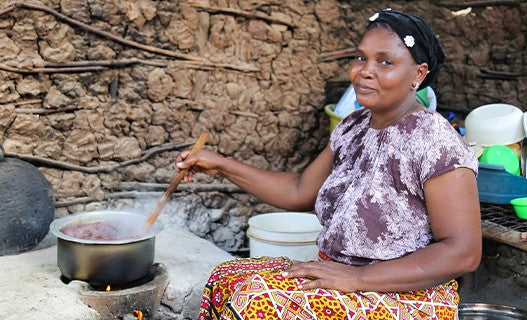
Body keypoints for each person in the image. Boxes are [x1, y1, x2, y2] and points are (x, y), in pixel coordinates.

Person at [177, 8, 481, 320]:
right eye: (361, 58)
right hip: (342, 276)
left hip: (402, 294)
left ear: (418, 74)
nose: (364, 71)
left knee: (258, 302)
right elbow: (299, 190)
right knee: (225, 278)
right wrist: (222, 165)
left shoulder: (436, 142)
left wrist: (356, 279)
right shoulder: (354, 126)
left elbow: (463, 252)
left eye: (385, 62)